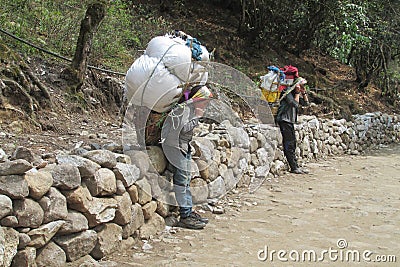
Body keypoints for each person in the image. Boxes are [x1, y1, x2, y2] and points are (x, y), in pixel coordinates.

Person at [161, 85, 212, 229]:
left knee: (186, 180)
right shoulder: (183, 109)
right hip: (176, 148)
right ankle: (185, 216)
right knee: (182, 182)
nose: (206, 104)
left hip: (183, 147)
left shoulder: (188, 108)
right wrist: (198, 117)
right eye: (204, 101)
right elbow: (183, 129)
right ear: (197, 99)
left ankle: (188, 211)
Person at [276, 75, 309, 174]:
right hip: (284, 120)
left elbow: (306, 104)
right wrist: (298, 93)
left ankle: (295, 165)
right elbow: (294, 104)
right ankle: (293, 167)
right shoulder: (287, 93)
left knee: (293, 143)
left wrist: (304, 93)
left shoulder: (295, 93)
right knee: (289, 144)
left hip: (290, 121)